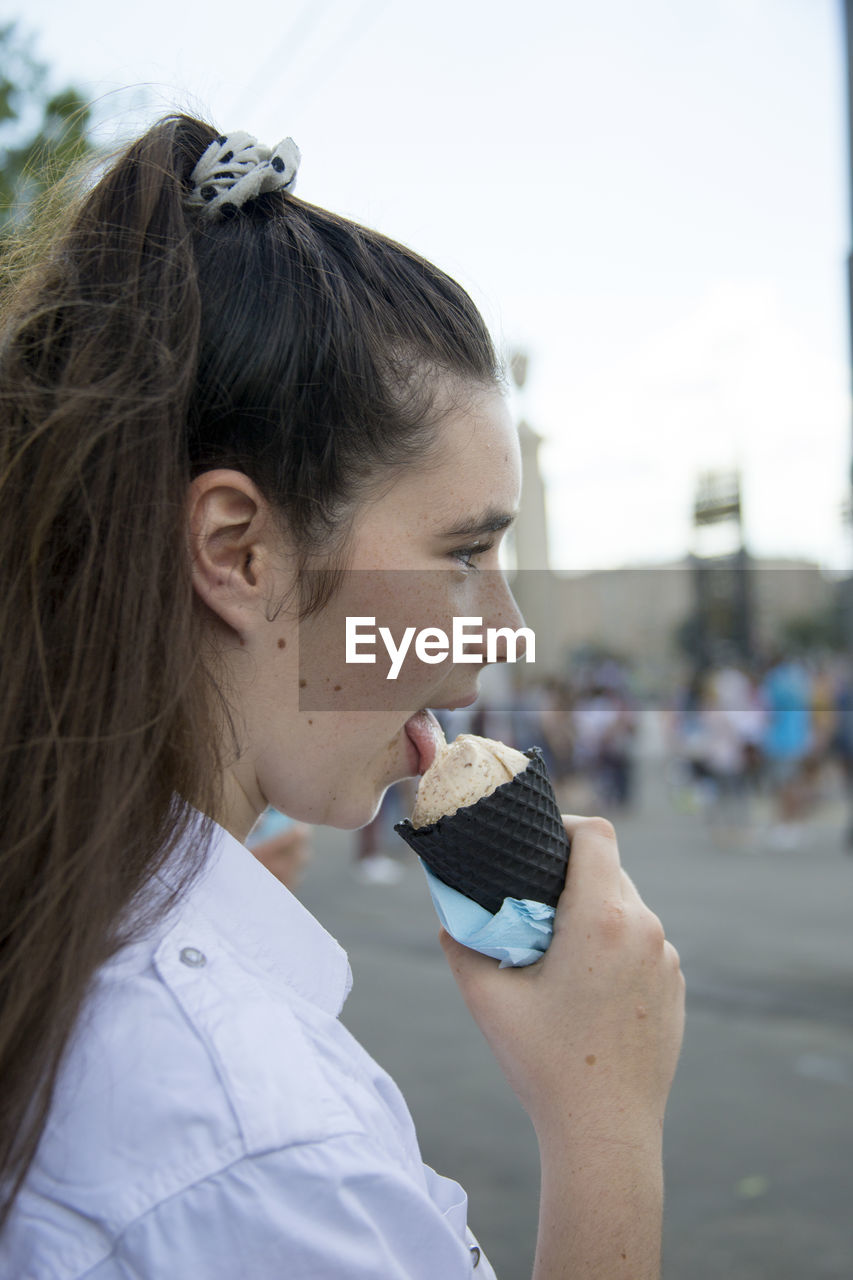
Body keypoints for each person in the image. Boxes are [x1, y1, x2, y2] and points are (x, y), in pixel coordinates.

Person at [0, 116, 685, 1278]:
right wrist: (605, 1123)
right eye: (463, 554)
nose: (501, 636)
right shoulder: (254, 1147)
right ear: (240, 550)